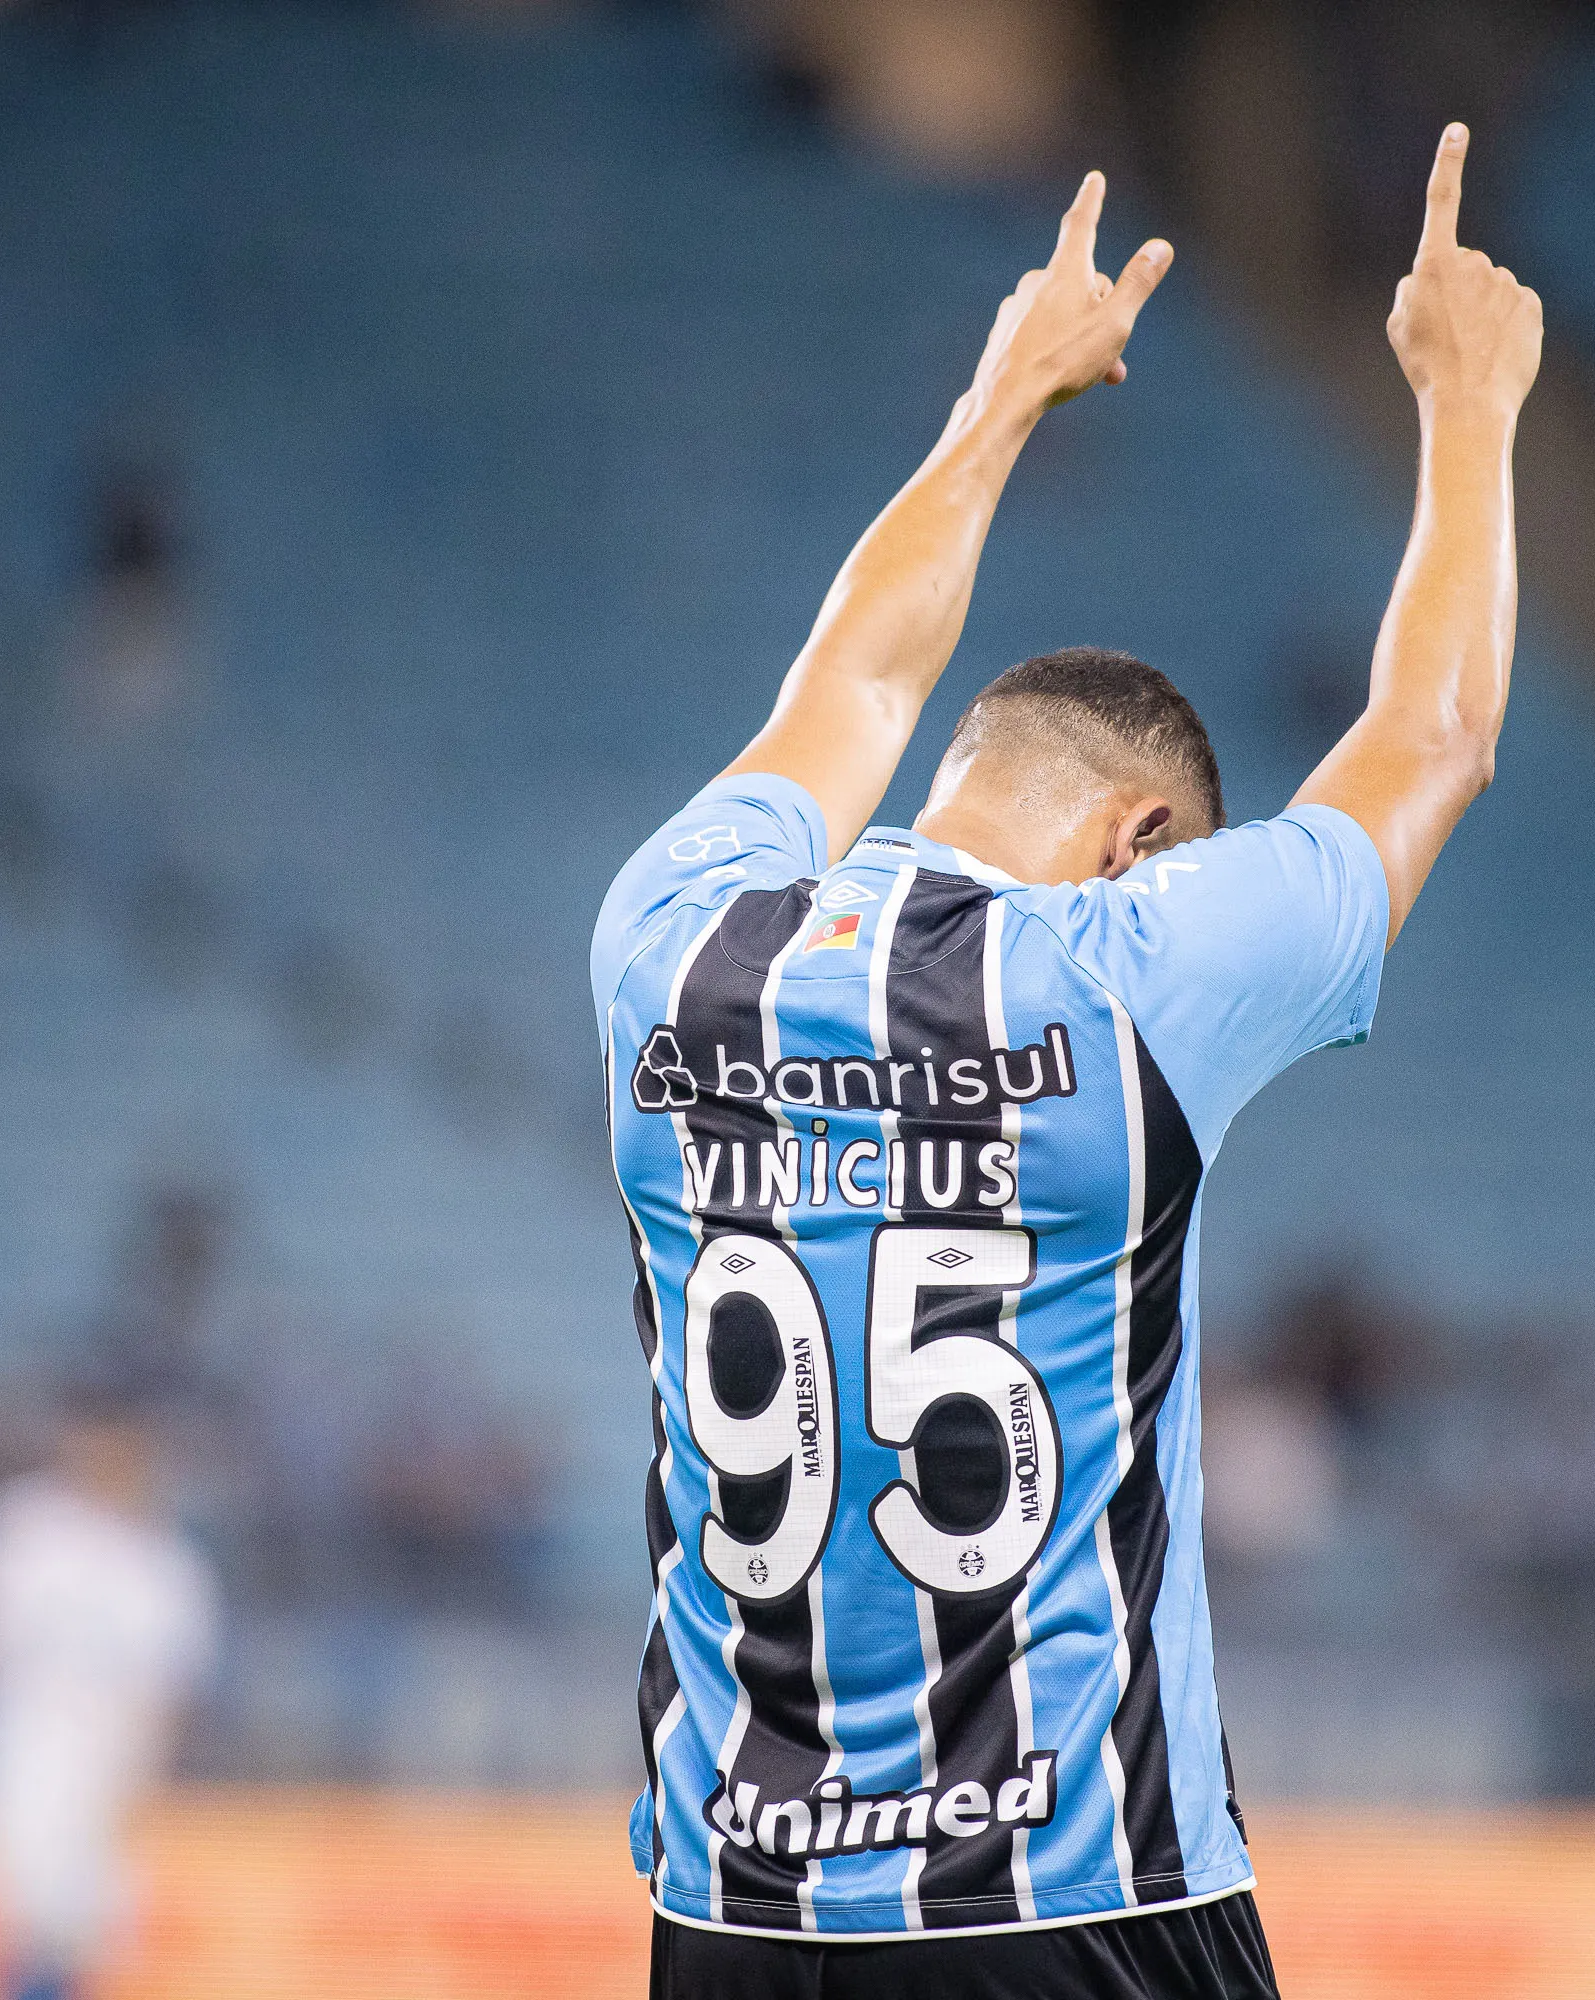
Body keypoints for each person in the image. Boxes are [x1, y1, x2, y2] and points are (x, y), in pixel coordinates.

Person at [591, 126, 1537, 1999]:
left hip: (736, 1918)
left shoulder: (670, 936)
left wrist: (1005, 389)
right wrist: (1471, 401)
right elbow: (1431, 737)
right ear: (1137, 847)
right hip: (1078, 1901)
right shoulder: (1129, 980)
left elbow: (852, 682)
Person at [0, 1388, 219, 2000]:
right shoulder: (22, 1524)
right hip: (16, 1750)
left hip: (106, 1770)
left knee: (85, 1931)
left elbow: (171, 1694)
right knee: (15, 1916)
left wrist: (149, 1782)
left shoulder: (164, 1563)